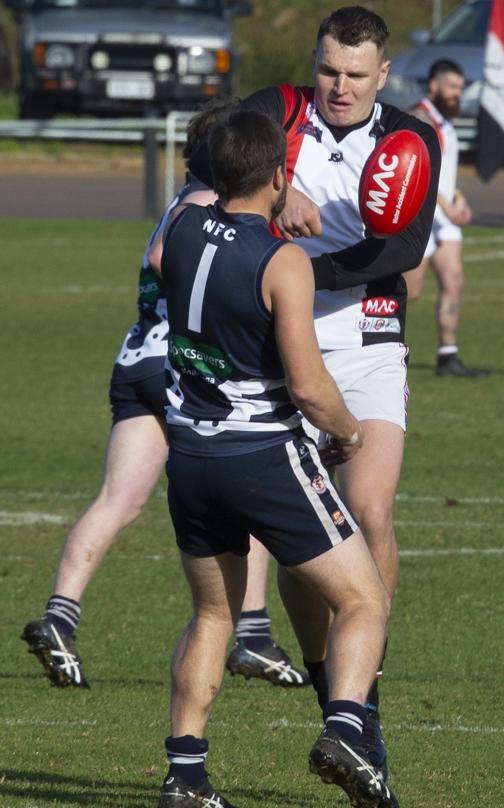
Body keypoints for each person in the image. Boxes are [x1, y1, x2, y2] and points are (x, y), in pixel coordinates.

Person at [219, 5, 440, 778]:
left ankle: (364, 688)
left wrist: (300, 264)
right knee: (302, 544)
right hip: (280, 348)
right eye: (328, 70)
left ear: (383, 75)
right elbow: (214, 155)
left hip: (371, 344)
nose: (339, 87)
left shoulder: (414, 138)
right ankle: (337, 697)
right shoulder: (276, 112)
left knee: (370, 509)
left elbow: (401, 249)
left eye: (355, 74)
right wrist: (277, 202)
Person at [21, 99, 307, 690]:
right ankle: (250, 635)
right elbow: (165, 258)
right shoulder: (204, 208)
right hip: (176, 362)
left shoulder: (181, 202)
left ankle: (60, 615)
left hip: (135, 361)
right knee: (243, 479)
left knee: (119, 499)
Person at [156, 109, 398, 808]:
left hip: (190, 454)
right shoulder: (281, 259)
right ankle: (347, 728)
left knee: (212, 615)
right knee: (362, 598)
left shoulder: (180, 228)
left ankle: (186, 775)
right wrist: (348, 433)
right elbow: (309, 386)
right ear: (278, 177)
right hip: (259, 452)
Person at [406, 59, 489, 377]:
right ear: (434, 86)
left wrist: (458, 200)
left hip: (444, 216)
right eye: (452, 87)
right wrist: (445, 203)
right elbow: (420, 172)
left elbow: (445, 174)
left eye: (460, 88)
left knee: (453, 280)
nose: (458, 94)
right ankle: (373, 344)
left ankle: (447, 355)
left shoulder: (446, 121)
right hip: (423, 214)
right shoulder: (420, 118)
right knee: (410, 291)